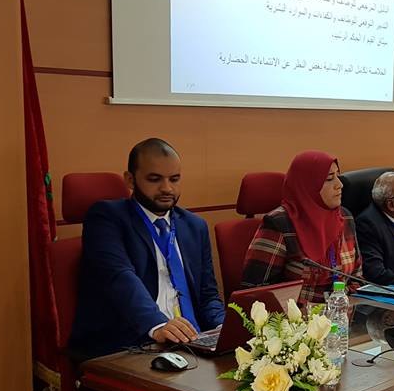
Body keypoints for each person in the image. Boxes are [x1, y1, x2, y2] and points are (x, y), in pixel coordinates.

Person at [69, 138, 227, 359]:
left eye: (174, 179)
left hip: (192, 342)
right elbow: (119, 277)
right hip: (135, 344)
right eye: (155, 179)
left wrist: (223, 328)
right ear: (130, 179)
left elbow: (208, 295)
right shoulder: (107, 218)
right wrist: (158, 324)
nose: (167, 188)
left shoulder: (194, 226)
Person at [241, 150, 362, 304]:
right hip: (297, 317)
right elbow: (256, 292)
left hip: (341, 313)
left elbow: (357, 278)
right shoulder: (279, 223)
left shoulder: (345, 217)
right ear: (308, 186)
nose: (340, 185)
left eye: (338, 176)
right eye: (329, 179)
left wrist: (344, 305)